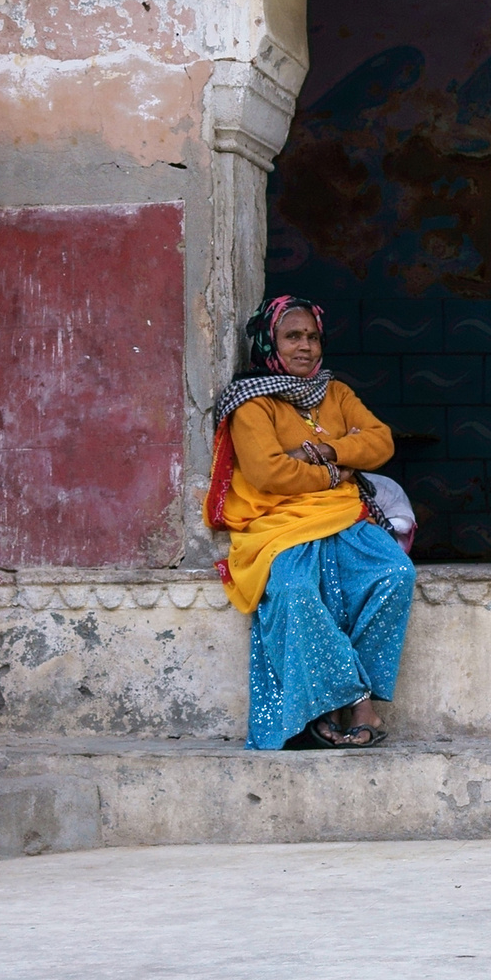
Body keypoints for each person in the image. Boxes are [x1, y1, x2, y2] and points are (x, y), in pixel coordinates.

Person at [205, 293, 414, 748]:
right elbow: (268, 473)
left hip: (344, 517)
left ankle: (341, 697)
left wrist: (325, 452)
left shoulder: (335, 392)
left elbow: (380, 442)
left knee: (395, 573)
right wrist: (339, 470)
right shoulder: (251, 404)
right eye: (292, 336)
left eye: (313, 337)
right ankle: (354, 703)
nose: (306, 347)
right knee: (293, 591)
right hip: (276, 525)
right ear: (269, 343)